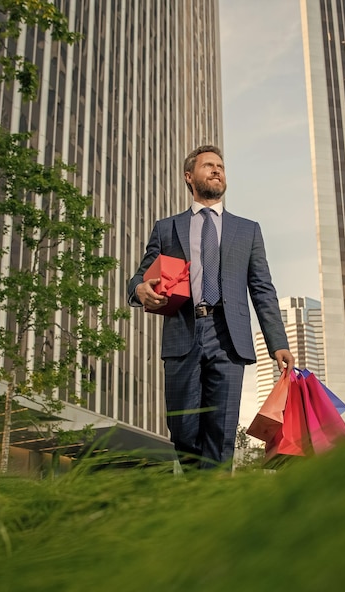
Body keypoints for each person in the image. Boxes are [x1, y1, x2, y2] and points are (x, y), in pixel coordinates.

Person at [128, 145, 294, 469]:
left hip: (228, 337)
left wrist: (279, 343)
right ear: (190, 176)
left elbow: (262, 289)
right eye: (208, 166)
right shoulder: (167, 228)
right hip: (183, 334)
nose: (217, 170)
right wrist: (139, 289)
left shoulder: (248, 230)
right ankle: (196, 492)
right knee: (183, 431)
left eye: (220, 166)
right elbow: (140, 275)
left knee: (221, 434)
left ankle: (213, 506)